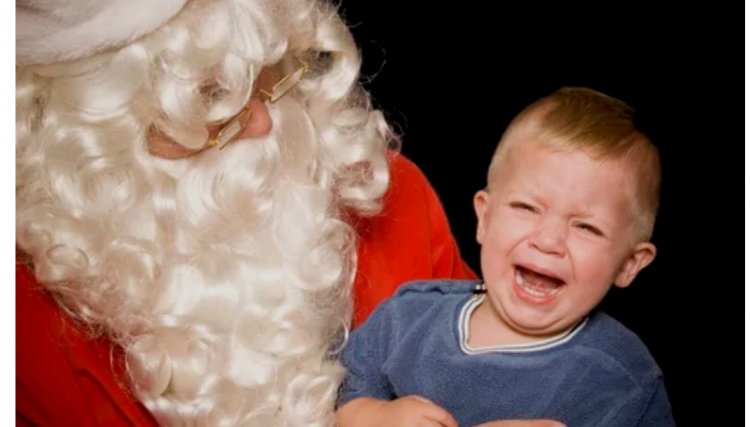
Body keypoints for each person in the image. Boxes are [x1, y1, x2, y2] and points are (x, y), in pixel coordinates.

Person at [16, 0, 477, 425]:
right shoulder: (25, 331)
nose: (264, 122)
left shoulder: (386, 193)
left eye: (272, 72)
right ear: (92, 139)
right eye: (211, 96)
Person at [336, 87, 676, 427]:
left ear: (630, 264)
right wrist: (374, 416)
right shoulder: (406, 317)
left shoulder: (623, 381)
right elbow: (332, 399)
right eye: (526, 207)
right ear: (485, 219)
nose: (548, 241)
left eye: (586, 227)